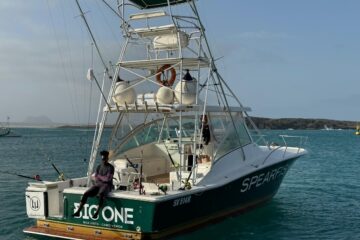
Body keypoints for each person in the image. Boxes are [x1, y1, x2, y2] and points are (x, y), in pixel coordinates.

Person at [73, 150, 114, 218]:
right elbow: (96, 178)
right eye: (102, 159)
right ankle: (78, 211)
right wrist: (101, 177)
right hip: (98, 185)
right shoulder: (98, 166)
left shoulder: (111, 167)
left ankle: (96, 213)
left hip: (107, 185)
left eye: (105, 158)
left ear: (107, 158)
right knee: (86, 193)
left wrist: (99, 176)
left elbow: (107, 179)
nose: (103, 160)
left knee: (101, 193)